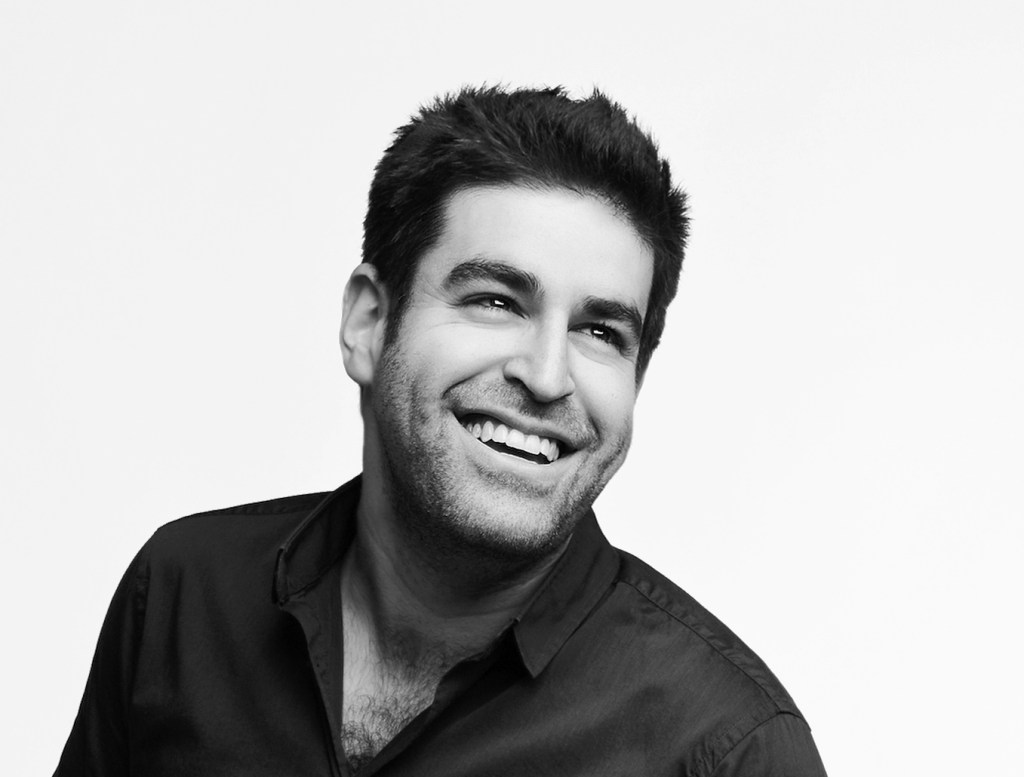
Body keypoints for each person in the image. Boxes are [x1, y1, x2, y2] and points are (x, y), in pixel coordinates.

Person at [55, 86, 827, 776]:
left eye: (600, 332)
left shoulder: (728, 750)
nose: (547, 376)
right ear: (368, 322)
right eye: (497, 301)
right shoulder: (183, 594)